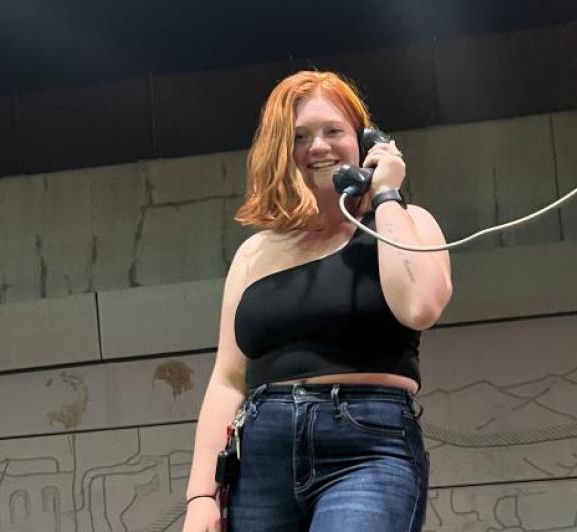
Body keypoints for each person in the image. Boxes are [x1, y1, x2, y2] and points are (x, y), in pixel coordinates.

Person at [182, 70, 453, 532]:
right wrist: (201, 496)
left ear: (364, 141)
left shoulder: (407, 223)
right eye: (301, 136)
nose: (318, 147)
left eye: (334, 132)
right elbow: (227, 381)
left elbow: (420, 307)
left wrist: (386, 191)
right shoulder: (255, 252)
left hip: (367, 444)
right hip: (262, 452)